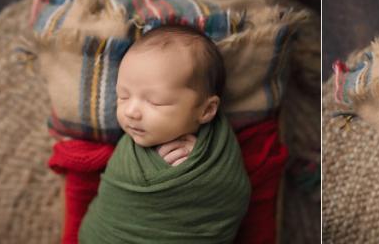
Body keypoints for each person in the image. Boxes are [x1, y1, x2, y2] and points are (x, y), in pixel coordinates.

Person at [79, 25, 251, 244]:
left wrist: (194, 170)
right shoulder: (129, 154)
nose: (131, 112)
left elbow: (231, 194)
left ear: (206, 110)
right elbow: (114, 197)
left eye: (155, 101)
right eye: (122, 96)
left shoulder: (218, 151)